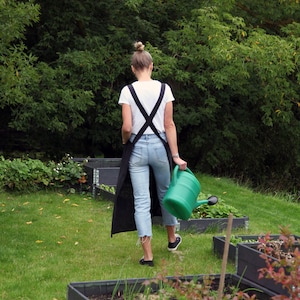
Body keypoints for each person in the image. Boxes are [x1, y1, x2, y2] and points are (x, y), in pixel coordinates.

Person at [117, 41, 187, 267]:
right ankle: (171, 240)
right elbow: (169, 125)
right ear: (152, 65)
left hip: (137, 148)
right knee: (167, 194)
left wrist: (125, 141)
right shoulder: (165, 89)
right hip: (159, 146)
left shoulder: (127, 91)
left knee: (141, 200)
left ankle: (147, 255)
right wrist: (175, 155)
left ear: (133, 68)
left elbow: (127, 127)